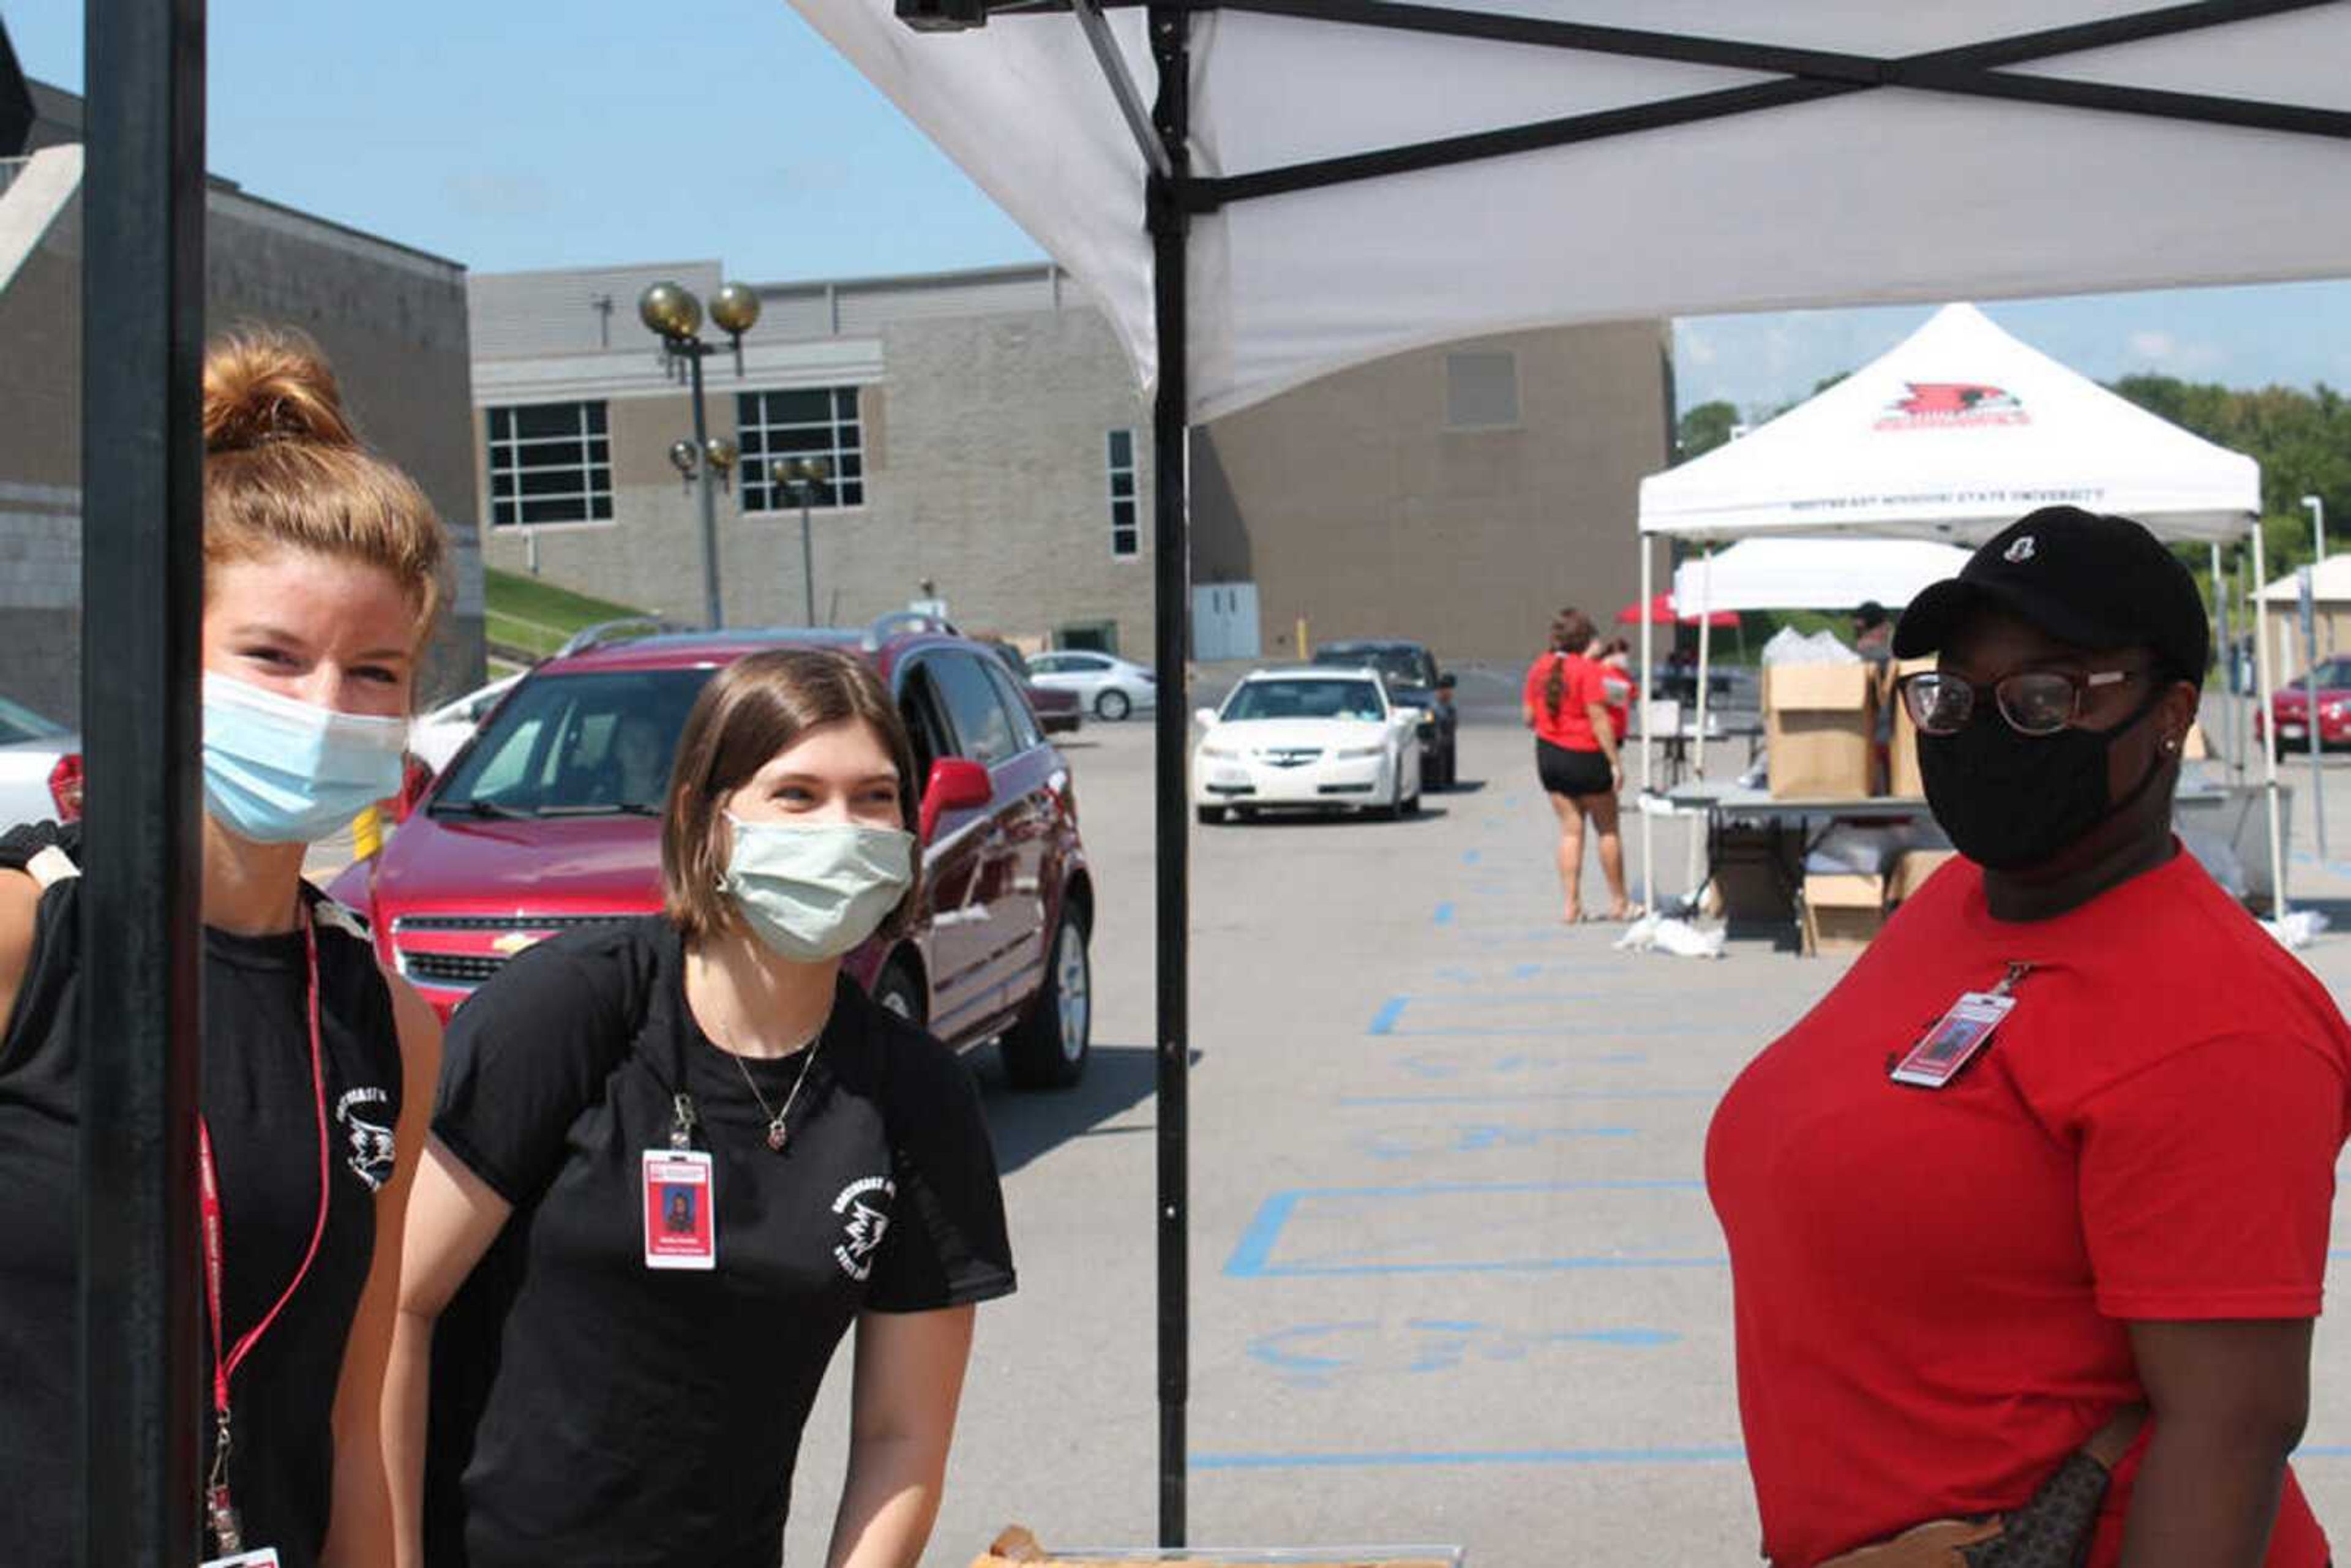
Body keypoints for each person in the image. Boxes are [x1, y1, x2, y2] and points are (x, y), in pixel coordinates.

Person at [1708, 508, 2349, 1568]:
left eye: (2046, 696)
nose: (1984, 732)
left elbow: (2228, 1432)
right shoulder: (1962, 900)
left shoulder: (2223, 1026)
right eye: (1953, 696)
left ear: (2170, 715)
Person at [389, 647, 1016, 1568]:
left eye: (874, 798)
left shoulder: (916, 1095)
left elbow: (901, 1438)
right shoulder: (572, 1011)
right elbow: (400, 1307)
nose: (839, 828)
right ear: (704, 819)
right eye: (796, 795)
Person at [0, 328, 448, 1567]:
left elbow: (352, 1428)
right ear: (154, 652)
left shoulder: (383, 1019)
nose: (325, 706)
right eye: (271, 655)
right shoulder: (29, 933)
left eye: (375, 670)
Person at [1522, 609, 1631, 923]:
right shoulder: (1588, 671)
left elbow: (1529, 718)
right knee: (1607, 828)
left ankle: (1571, 905)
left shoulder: (1539, 668)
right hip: (1586, 755)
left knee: (1571, 832)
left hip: (1550, 756)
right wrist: (1615, 762)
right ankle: (1618, 901)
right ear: (1587, 641)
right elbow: (1600, 720)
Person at [1853, 599, 1897, 792]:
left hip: (1853, 735)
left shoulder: (1847, 658)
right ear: (1884, 627)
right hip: (1885, 734)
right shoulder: (1890, 661)